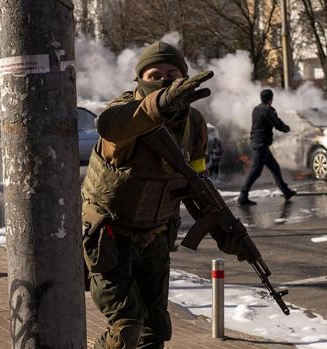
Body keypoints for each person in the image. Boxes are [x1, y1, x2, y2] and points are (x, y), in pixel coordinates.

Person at [81, 41, 243, 349]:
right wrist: (160, 105)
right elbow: (110, 127)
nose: (165, 80)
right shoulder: (123, 114)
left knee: (155, 330)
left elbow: (196, 184)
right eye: (155, 74)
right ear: (140, 78)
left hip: (155, 235)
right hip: (110, 238)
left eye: (173, 73)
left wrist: (226, 233)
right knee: (127, 327)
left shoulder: (194, 124)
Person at [237, 89, 296, 205]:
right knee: (255, 172)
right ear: (271, 99)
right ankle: (242, 196)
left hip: (257, 142)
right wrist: (287, 128)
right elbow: (278, 124)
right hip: (261, 145)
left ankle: (286, 192)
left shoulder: (256, 109)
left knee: (275, 168)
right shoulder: (268, 110)